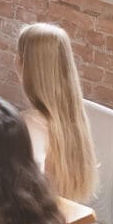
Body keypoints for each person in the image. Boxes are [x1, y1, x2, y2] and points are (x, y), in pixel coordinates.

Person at [16, 22, 98, 202]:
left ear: (24, 66)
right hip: (62, 215)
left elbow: (25, 189)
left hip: (34, 222)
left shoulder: (32, 123)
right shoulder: (72, 116)